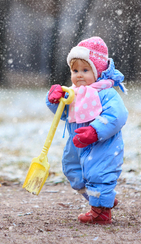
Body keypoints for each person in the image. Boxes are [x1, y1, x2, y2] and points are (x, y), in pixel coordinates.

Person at [46, 36, 128, 224]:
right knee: (73, 170)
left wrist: (95, 131)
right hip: (76, 145)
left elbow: (118, 115)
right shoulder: (73, 93)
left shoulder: (105, 93)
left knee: (98, 174)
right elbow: (63, 113)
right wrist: (54, 99)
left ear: (98, 71)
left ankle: (101, 212)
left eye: (85, 70)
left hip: (102, 145)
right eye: (75, 70)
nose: (79, 75)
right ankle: (100, 200)